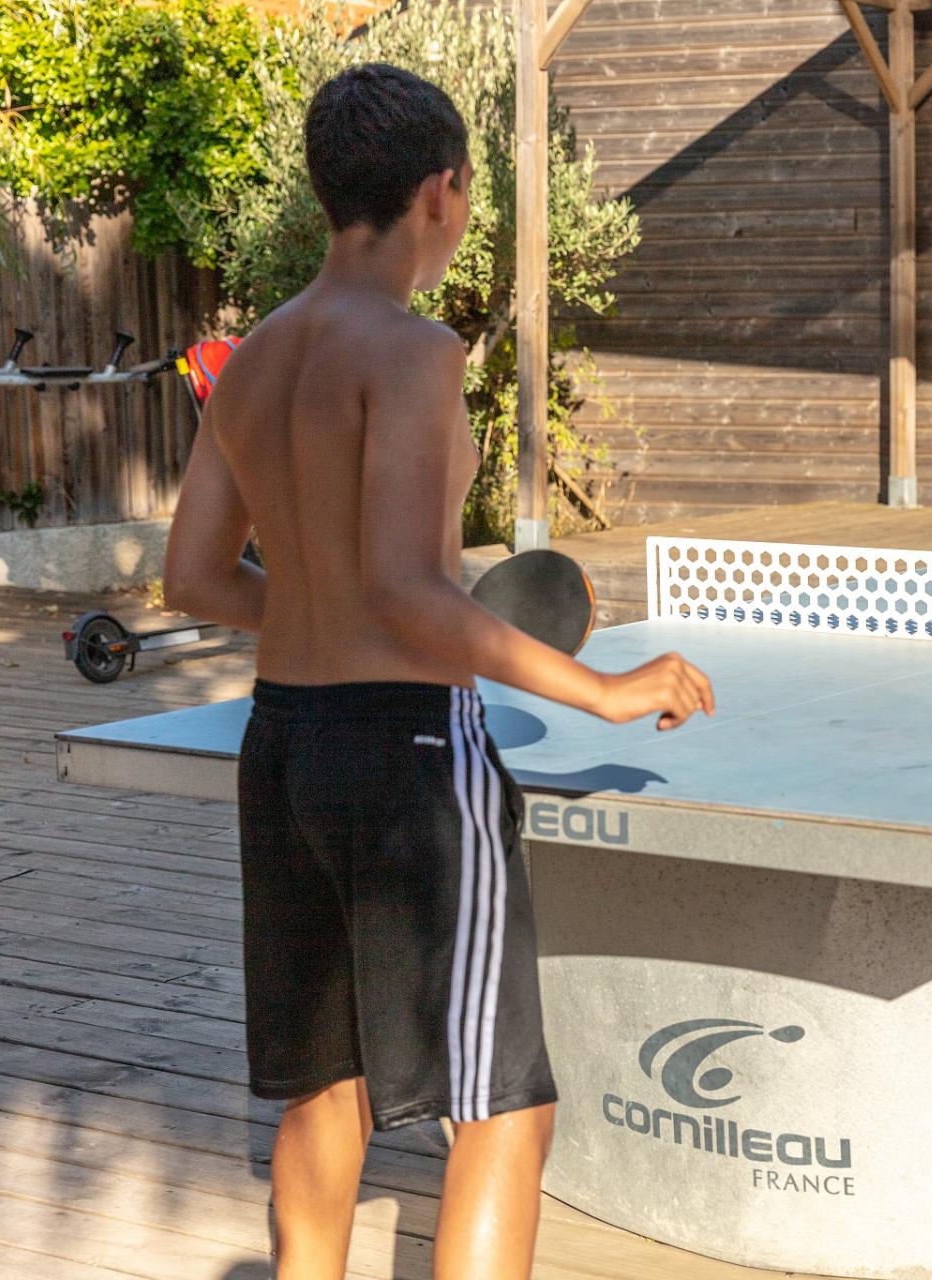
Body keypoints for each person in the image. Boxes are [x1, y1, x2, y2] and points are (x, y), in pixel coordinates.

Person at [161, 63, 714, 1278]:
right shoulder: (413, 352)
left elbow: (192, 577)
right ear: (442, 192)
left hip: (282, 746)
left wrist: (319, 605)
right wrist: (605, 690)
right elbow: (408, 593)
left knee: (326, 1088)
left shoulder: (251, 359)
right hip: (405, 758)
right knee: (503, 1103)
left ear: (326, 193)